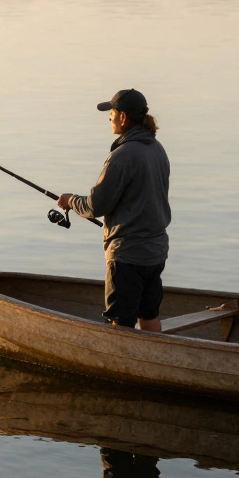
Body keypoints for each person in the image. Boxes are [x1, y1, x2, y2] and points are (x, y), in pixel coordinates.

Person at [56, 89, 170, 331]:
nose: (109, 117)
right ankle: (153, 363)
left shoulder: (121, 156)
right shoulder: (157, 149)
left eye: (112, 112)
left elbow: (96, 206)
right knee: (149, 315)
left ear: (123, 118)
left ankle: (125, 366)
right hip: (156, 251)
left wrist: (69, 201)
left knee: (121, 322)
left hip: (127, 255)